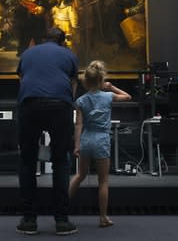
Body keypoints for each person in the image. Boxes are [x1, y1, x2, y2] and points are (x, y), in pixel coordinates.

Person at [16, 27, 79, 236]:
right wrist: (68, 103)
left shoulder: (28, 53)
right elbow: (73, 83)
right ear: (62, 42)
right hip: (59, 105)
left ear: (44, 39)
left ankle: (29, 220)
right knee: (61, 160)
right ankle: (61, 221)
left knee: (27, 159)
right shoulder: (69, 54)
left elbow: (22, 78)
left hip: (30, 103)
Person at [68, 60, 131, 228]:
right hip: (101, 141)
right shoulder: (108, 96)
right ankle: (103, 217)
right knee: (103, 181)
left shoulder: (81, 101)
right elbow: (128, 97)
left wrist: (76, 145)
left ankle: (62, 209)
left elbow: (78, 125)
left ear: (86, 81)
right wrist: (111, 87)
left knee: (80, 175)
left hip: (87, 140)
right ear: (101, 80)